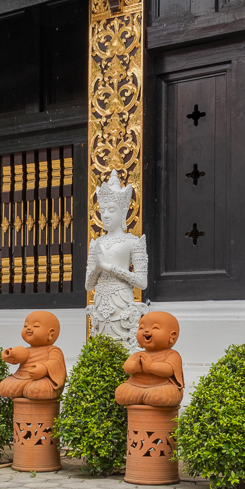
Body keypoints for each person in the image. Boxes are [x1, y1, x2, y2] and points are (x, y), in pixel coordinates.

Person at [86, 171, 148, 352]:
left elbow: (142, 282)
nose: (105, 215)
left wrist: (109, 267)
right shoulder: (96, 243)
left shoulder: (133, 242)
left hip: (122, 300)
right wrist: (98, 267)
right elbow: (89, 285)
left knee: (122, 348)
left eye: (111, 210)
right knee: (101, 348)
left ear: (123, 212)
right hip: (99, 300)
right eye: (102, 210)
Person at [115, 311, 183, 407]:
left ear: (172, 336)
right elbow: (126, 367)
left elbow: (170, 369)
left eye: (155, 328)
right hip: (136, 386)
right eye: (141, 328)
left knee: (165, 394)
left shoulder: (171, 354)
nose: (146, 331)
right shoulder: (139, 354)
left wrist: (151, 367)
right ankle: (143, 396)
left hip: (161, 386)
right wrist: (135, 366)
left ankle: (146, 397)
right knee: (121, 392)